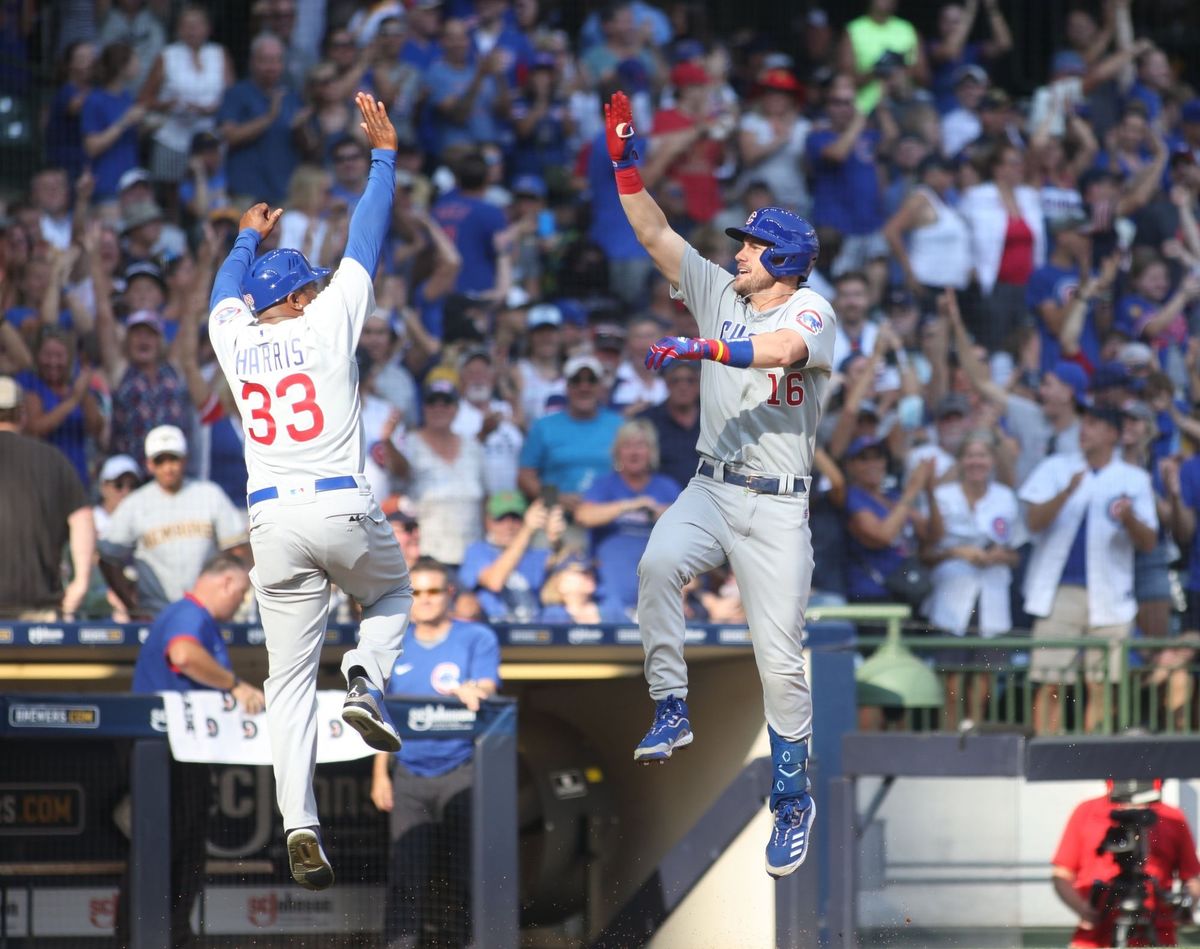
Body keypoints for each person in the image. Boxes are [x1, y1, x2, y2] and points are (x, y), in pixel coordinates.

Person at [605, 89, 835, 877]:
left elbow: (777, 354)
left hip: (777, 506)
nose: (739, 253)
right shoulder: (717, 291)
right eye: (742, 245)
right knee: (657, 562)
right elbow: (652, 231)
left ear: (784, 264)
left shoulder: (813, 312)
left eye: (753, 247)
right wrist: (625, 164)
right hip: (712, 483)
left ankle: (794, 793)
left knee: (779, 658)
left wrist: (706, 353)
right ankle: (671, 703)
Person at [207, 93, 413, 890]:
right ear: (295, 298)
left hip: (273, 523)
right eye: (310, 285)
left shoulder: (234, 336)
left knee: (288, 683)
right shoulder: (328, 324)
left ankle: (299, 824)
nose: (322, 289)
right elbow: (367, 236)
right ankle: (367, 675)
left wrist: (243, 238)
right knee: (393, 594)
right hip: (341, 502)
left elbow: (227, 290)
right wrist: (383, 159)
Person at [120, 553, 264, 949]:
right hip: (167, 751)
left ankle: (163, 933)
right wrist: (235, 685)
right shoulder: (191, 613)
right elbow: (182, 654)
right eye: (242, 594)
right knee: (170, 846)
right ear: (227, 583)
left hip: (179, 749)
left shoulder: (191, 614)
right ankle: (161, 936)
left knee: (177, 845)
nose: (241, 603)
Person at [371, 558, 500, 949]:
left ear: (450, 594)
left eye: (433, 591)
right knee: (406, 872)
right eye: (418, 593)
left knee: (468, 871)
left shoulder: (476, 637)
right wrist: (381, 774)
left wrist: (475, 689)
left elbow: (489, 685)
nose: (425, 600)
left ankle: (467, 942)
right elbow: (381, 715)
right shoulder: (392, 644)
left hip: (461, 770)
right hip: (408, 772)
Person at [1019, 404, 1158, 735]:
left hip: (1111, 593)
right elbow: (1033, 523)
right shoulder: (1055, 467)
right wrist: (1066, 492)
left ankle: (1093, 756)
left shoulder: (1134, 478)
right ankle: (1043, 754)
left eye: (1094, 423)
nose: (1085, 429)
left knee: (1103, 684)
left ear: (1112, 433)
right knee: (1050, 681)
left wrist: (1129, 518)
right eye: (1084, 422)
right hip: (1058, 591)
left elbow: (1149, 541)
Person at [922, 430, 1021, 725]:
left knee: (983, 685)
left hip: (991, 597)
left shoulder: (1005, 497)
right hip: (951, 598)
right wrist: (957, 552)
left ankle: (974, 744)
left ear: (992, 460)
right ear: (961, 460)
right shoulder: (942, 497)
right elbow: (925, 553)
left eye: (982, 455)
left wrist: (998, 557)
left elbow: (1017, 554)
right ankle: (949, 745)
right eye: (971, 455)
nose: (976, 461)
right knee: (950, 683)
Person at [98, 425, 248, 619]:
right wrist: (131, 606)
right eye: (160, 460)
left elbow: (238, 550)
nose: (168, 467)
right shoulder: (135, 504)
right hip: (156, 613)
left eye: (173, 458)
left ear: (184, 460)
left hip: (207, 612)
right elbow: (108, 558)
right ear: (150, 464)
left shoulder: (209, 494)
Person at [1051, 780, 1200, 949]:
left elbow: (1192, 877)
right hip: (1096, 937)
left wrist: (1185, 907)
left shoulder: (1172, 817)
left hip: (1155, 931)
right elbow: (1062, 874)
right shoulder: (1087, 812)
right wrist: (1083, 909)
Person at [0, 376, 94, 620]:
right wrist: (81, 580)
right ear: (22, 415)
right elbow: (82, 517)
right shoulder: (53, 459)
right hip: (41, 611)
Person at [574, 419, 681, 619]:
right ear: (617, 452)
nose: (634, 452)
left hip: (660, 592)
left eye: (640, 446)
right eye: (627, 446)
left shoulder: (666, 487)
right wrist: (628, 505)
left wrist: (657, 511)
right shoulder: (604, 485)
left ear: (651, 452)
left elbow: (688, 524)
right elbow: (583, 515)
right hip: (610, 593)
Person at [517, 354, 623, 511]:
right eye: (576, 381)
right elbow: (525, 477)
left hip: (608, 515)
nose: (584, 387)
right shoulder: (544, 426)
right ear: (566, 387)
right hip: (558, 516)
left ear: (600, 387)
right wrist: (556, 499)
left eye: (591, 381)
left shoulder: (619, 425)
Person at [458, 491, 565, 624]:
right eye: (501, 518)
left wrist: (555, 539)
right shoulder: (477, 551)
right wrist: (527, 530)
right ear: (488, 522)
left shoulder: (538, 554)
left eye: (515, 518)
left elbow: (567, 576)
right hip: (495, 631)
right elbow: (495, 582)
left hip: (536, 633)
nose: (509, 526)